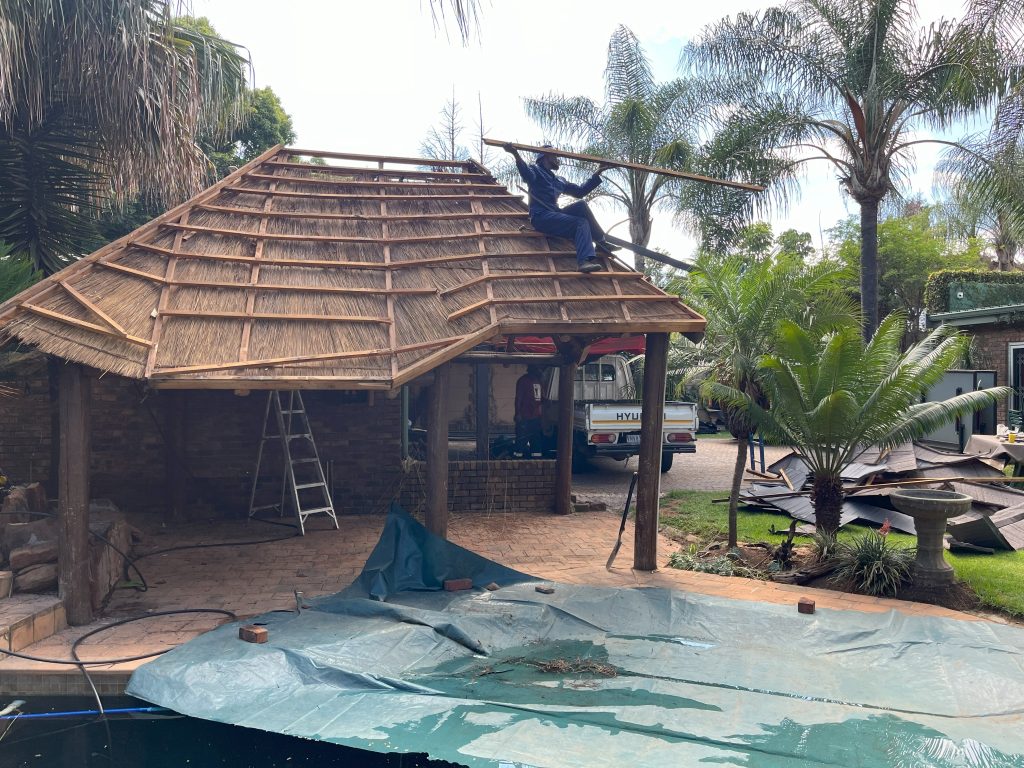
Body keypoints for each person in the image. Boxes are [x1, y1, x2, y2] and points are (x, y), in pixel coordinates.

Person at [504, 142, 618, 273]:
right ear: (546, 156)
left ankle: (601, 242)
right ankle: (583, 261)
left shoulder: (559, 180)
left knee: (581, 205)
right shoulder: (535, 170)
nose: (558, 159)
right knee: (580, 223)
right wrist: (515, 154)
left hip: (555, 214)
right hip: (541, 216)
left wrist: (597, 173)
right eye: (555, 156)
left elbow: (580, 192)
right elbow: (527, 175)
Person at [514, 364, 545, 457]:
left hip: (536, 416)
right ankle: (518, 459)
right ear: (532, 370)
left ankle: (536, 459)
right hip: (525, 416)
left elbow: (540, 398)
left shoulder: (538, 381)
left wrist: (547, 401)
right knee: (521, 439)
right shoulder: (523, 381)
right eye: (538, 369)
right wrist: (518, 413)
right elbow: (518, 398)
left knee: (536, 439)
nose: (540, 371)